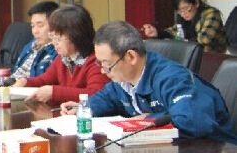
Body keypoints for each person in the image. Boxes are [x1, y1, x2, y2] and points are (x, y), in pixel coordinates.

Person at [61, 21, 236, 143]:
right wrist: (83, 109)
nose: (102, 71)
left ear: (131, 56)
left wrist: (148, 120)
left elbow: (193, 122)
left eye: (106, 64)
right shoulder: (123, 81)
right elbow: (106, 98)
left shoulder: (172, 78)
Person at [14, 5, 108, 105]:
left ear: (76, 36)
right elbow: (45, 80)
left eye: (58, 38)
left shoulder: (96, 60)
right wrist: (25, 82)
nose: (54, 43)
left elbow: (95, 94)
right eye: (52, 37)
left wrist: (54, 92)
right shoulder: (63, 58)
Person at [142, 0, 227, 52]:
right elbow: (175, 31)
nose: (183, 14)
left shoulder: (211, 14)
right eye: (180, 11)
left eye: (186, 9)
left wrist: (182, 40)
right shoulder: (186, 20)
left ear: (196, 3)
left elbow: (204, 39)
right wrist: (157, 33)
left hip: (214, 59)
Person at [11, 1, 59, 79]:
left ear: (55, 25)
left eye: (40, 25)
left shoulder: (59, 51)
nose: (35, 31)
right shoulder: (29, 46)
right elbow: (15, 73)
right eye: (32, 26)